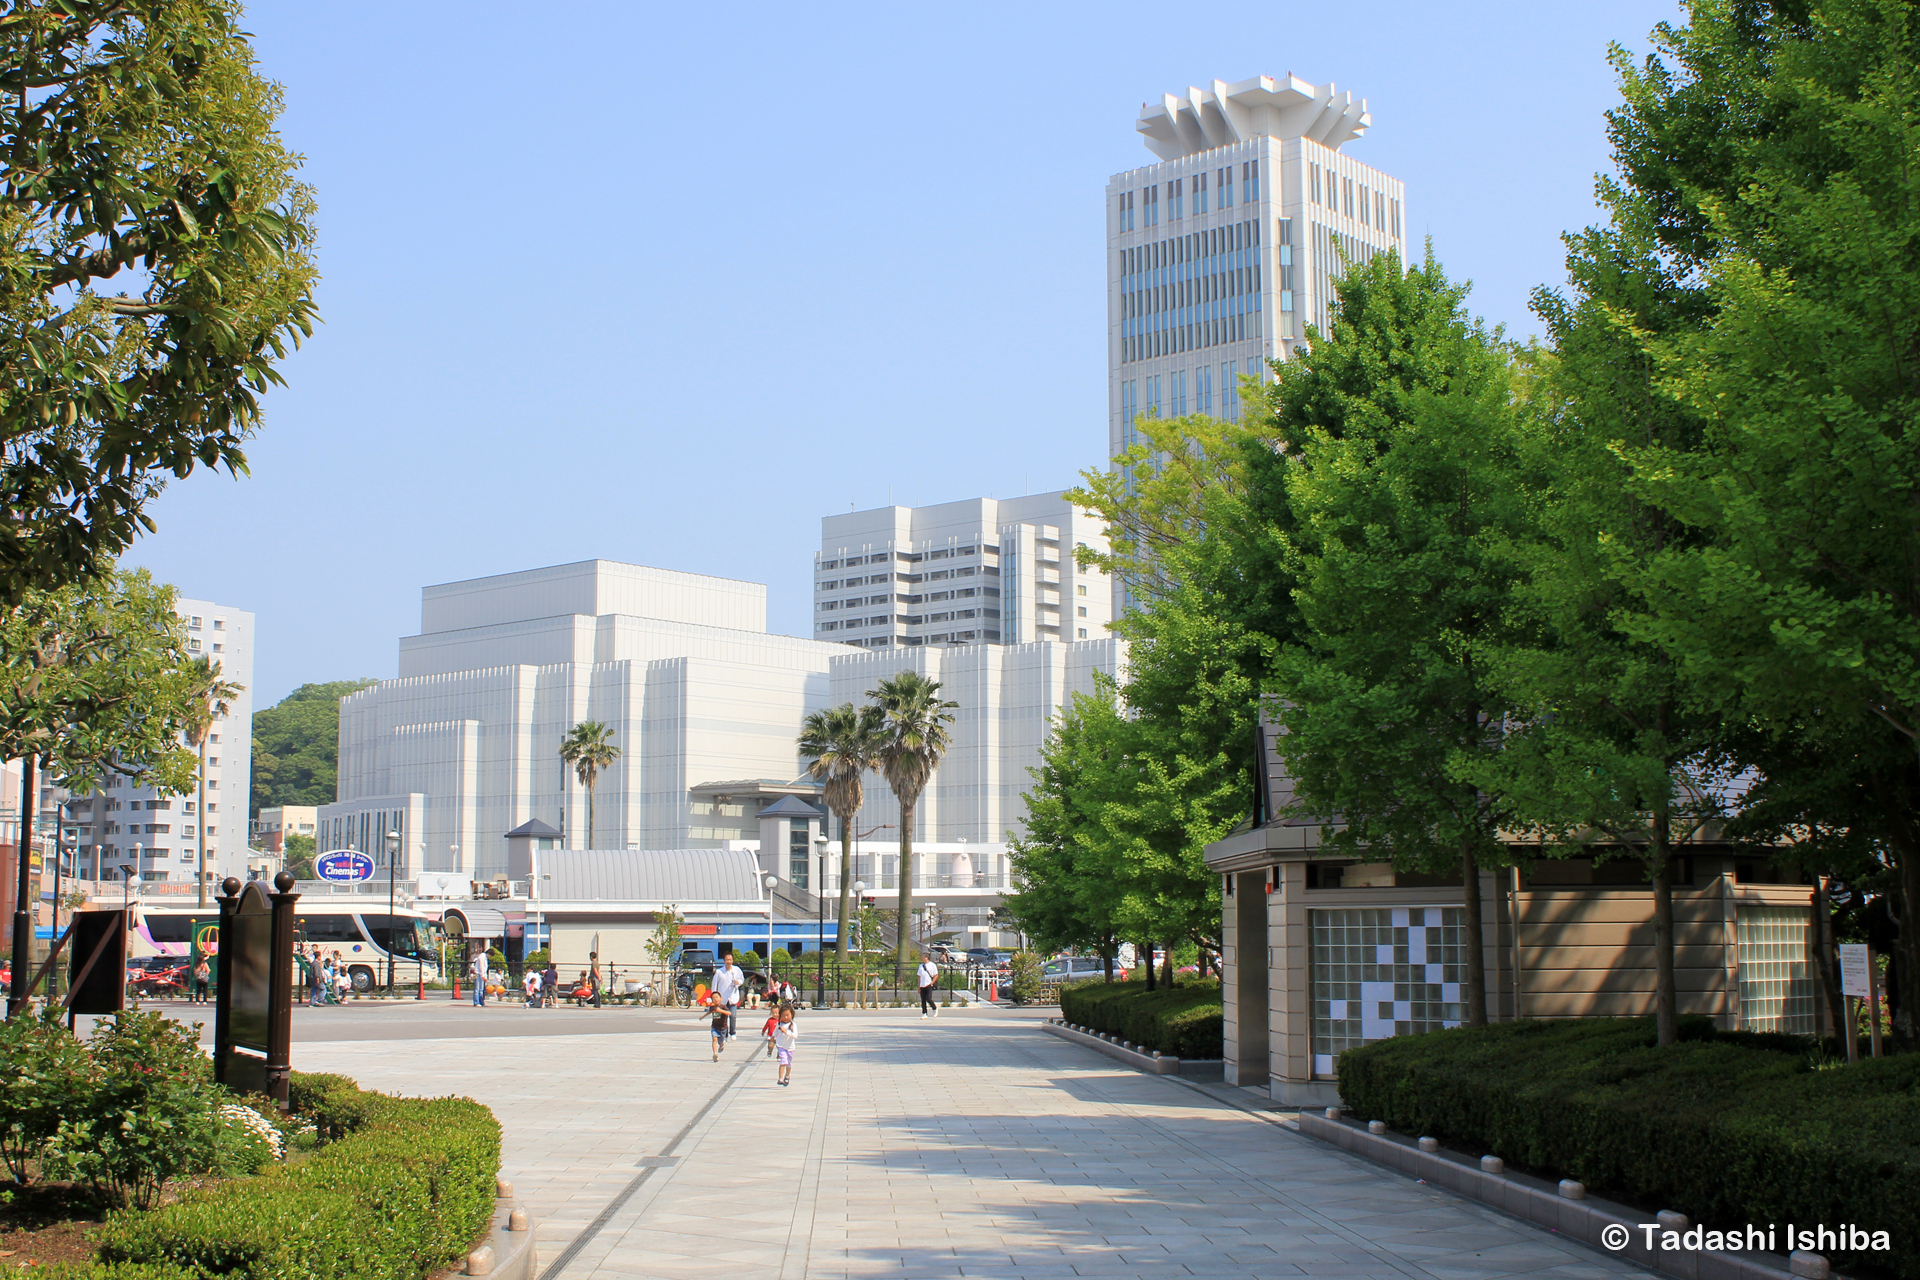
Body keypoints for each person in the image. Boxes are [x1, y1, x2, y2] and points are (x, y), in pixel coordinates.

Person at [713, 953, 743, 1039]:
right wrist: (714, 997)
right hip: (722, 998)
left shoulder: (737, 970)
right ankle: (723, 1033)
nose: (729, 962)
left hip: (733, 997)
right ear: (724, 961)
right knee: (723, 1017)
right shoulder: (719, 972)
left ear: (732, 960)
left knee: (733, 1016)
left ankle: (732, 1032)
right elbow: (714, 984)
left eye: (730, 960)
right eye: (727, 960)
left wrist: (738, 982)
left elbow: (742, 979)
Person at [773, 1006, 798, 1086]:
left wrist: (786, 1032)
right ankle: (780, 1078)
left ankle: (787, 1076)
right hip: (781, 1045)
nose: (785, 1017)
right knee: (783, 1061)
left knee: (789, 1064)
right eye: (783, 1015)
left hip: (790, 1047)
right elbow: (775, 1031)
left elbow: (795, 1036)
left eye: (787, 1015)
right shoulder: (779, 1024)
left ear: (792, 1015)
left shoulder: (793, 1025)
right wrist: (772, 1037)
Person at [917, 952, 941, 1018]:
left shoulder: (932, 965)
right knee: (923, 1000)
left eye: (923, 957)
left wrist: (932, 982)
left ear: (926, 957)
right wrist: (918, 986)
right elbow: (919, 976)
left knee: (929, 998)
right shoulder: (921, 966)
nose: (922, 958)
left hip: (929, 984)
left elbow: (936, 975)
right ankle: (924, 1013)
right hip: (922, 985)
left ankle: (934, 1008)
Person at [708, 992, 730, 1061]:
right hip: (714, 1026)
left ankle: (721, 1044)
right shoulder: (712, 1007)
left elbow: (729, 1013)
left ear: (721, 998)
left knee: (720, 1041)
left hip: (723, 1027)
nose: (715, 999)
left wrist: (721, 1011)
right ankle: (715, 1054)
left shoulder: (724, 1007)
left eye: (717, 997)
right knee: (714, 1039)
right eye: (713, 998)